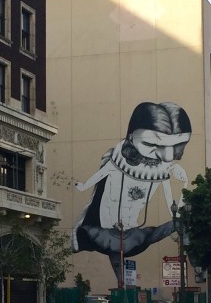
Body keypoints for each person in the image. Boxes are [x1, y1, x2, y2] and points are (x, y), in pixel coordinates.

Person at [72, 102, 192, 284]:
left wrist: (184, 185)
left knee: (179, 223)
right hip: (111, 230)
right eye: (152, 144)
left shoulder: (162, 172)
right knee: (114, 247)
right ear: (130, 137)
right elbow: (99, 182)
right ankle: (122, 283)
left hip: (133, 232)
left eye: (177, 146)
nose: (168, 156)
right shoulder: (115, 162)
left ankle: (196, 258)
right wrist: (83, 186)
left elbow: (172, 207)